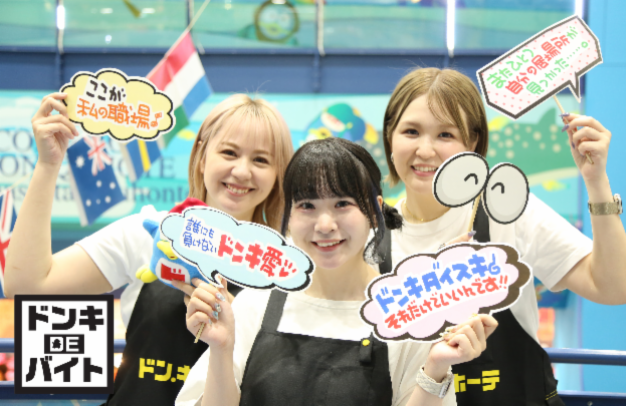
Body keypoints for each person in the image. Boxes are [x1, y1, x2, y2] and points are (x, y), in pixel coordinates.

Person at [4, 93, 294, 405]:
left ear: (278, 174)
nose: (241, 171)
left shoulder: (288, 270)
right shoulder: (148, 232)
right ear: (202, 156)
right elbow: (27, 286)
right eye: (229, 152)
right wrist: (48, 164)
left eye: (261, 160)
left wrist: (240, 323)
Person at [176, 137, 498, 406]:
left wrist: (436, 367)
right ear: (288, 216)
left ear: (374, 211)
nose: (325, 225)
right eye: (307, 206)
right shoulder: (253, 305)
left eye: (342, 204)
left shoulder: (407, 315)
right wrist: (221, 349)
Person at [381, 67, 626, 405]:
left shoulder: (505, 209)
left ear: (472, 142)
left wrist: (597, 181)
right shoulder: (373, 237)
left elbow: (614, 287)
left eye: (446, 134)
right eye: (411, 131)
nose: (425, 150)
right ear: (390, 136)